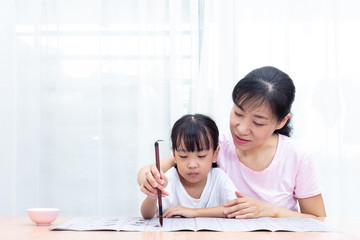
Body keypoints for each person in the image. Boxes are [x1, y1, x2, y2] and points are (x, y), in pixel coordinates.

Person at [138, 66, 326, 219]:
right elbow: (157, 169)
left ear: (281, 121)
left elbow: (319, 219)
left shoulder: (297, 157)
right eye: (238, 113)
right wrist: (147, 178)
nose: (241, 128)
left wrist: (270, 210)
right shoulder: (216, 145)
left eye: (258, 122)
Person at [141, 114, 238, 219]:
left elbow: (236, 208)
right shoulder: (169, 179)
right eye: (183, 156)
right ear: (174, 155)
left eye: (201, 156)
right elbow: (147, 214)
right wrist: (153, 196)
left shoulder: (219, 177)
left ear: (215, 154)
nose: (192, 165)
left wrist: (194, 212)